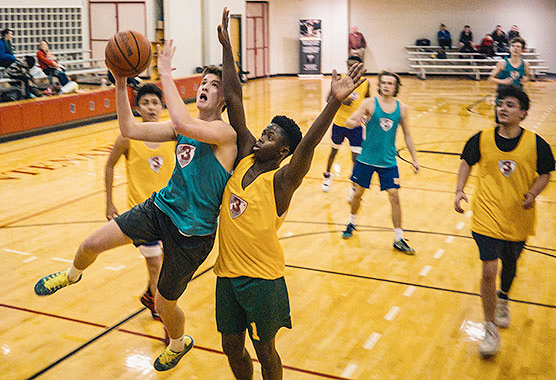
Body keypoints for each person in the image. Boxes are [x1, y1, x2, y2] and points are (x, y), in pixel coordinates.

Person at [34, 41, 237, 371]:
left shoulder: (223, 133)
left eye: (214, 86)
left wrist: (166, 73)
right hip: (160, 209)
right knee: (91, 243)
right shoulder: (179, 128)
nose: (205, 88)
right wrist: (119, 81)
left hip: (193, 234)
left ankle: (177, 343)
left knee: (163, 302)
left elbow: (186, 124)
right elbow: (129, 129)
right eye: (203, 83)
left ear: (224, 100)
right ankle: (72, 276)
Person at [216, 8, 365, 380]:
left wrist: (332, 102)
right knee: (231, 346)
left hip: (263, 279)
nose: (262, 136)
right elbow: (234, 96)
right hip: (226, 276)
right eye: (264, 131)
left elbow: (310, 145)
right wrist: (227, 47)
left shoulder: (282, 181)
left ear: (283, 152)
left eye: (270, 136)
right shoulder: (243, 155)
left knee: (266, 350)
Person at [454, 85, 554, 357]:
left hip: (517, 216)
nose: (502, 108)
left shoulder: (536, 143)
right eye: (501, 104)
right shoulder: (481, 138)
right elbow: (466, 162)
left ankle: (504, 299)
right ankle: (489, 328)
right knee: (488, 269)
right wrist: (459, 190)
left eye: (510, 105)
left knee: (510, 264)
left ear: (523, 113)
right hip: (486, 213)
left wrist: (533, 193)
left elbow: (546, 173)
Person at [104, 83, 176, 321]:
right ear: (137, 108)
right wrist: (109, 202)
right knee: (155, 264)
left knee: (164, 263)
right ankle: (160, 310)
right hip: (141, 213)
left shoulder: (172, 135)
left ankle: (149, 294)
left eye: (155, 103)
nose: (151, 107)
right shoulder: (128, 137)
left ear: (162, 106)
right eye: (146, 103)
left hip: (169, 209)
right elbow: (109, 165)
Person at [341, 71, 419, 255]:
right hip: (366, 159)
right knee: (358, 193)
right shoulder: (369, 104)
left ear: (396, 87)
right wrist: (355, 122)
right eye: (383, 82)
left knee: (394, 196)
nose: (386, 86)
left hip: (388, 161)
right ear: (380, 85)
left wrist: (415, 158)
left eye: (390, 83)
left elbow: (407, 135)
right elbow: (348, 121)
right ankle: (352, 222)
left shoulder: (402, 109)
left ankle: (398, 238)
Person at [322, 55, 370, 194]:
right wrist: (342, 100)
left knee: (355, 157)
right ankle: (327, 175)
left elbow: (367, 100)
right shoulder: (340, 79)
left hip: (355, 126)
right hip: (339, 124)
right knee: (334, 152)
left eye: (354, 65)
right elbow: (328, 98)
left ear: (360, 66)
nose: (351, 68)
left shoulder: (365, 83)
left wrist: (367, 116)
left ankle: (354, 185)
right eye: (349, 65)